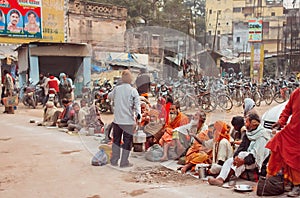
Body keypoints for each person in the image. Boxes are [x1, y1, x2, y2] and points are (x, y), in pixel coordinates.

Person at [208, 113, 270, 186]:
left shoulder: (262, 136)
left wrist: (243, 161)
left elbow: (257, 156)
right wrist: (236, 157)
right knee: (230, 160)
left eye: (247, 122)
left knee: (242, 155)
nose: (245, 124)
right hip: (245, 159)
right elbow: (241, 147)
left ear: (253, 123)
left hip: (257, 161)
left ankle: (226, 178)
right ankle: (220, 179)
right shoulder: (248, 133)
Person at [267, 87, 300, 197]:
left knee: (295, 158)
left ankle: (297, 185)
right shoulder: (296, 93)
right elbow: (287, 110)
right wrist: (280, 122)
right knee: (277, 143)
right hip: (293, 131)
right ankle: (287, 180)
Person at [108, 69, 141, 168]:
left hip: (117, 121)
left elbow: (109, 97)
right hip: (128, 122)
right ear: (131, 79)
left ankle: (114, 160)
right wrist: (138, 118)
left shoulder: (117, 89)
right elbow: (137, 106)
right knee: (127, 142)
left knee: (116, 141)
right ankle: (124, 162)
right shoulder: (133, 91)